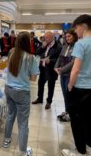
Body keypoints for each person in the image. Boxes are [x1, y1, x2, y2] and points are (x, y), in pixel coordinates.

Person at [3, 31, 39, 156]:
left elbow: (9, 69)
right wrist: (24, 76)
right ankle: (23, 151)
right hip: (22, 92)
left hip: (8, 88)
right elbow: (34, 78)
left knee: (10, 115)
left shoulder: (11, 52)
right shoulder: (30, 57)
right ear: (27, 42)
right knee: (23, 122)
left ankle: (6, 141)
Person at [62, 14, 91, 156]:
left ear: (84, 26)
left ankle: (80, 151)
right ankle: (88, 146)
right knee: (88, 119)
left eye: (77, 28)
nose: (76, 31)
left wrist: (70, 86)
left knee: (77, 121)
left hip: (80, 88)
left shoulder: (81, 43)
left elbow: (76, 69)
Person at [32, 31, 61, 109]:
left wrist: (50, 61)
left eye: (47, 38)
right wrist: (42, 47)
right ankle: (39, 98)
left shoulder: (58, 46)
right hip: (43, 68)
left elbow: (59, 59)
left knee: (50, 86)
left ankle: (49, 101)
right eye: (44, 37)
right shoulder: (44, 44)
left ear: (52, 37)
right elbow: (36, 53)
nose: (45, 39)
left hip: (51, 70)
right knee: (40, 84)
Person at [54, 29, 78, 122]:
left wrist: (62, 69)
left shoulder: (77, 46)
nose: (67, 38)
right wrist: (56, 67)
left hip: (69, 75)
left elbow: (73, 62)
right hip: (62, 74)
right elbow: (59, 58)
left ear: (74, 36)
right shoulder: (65, 46)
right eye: (66, 36)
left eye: (69, 36)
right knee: (65, 94)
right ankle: (67, 112)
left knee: (69, 95)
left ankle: (70, 114)